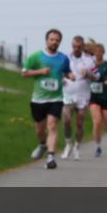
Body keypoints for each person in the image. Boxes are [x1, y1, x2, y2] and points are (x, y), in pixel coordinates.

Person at [22, 29, 74, 169]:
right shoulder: (36, 56)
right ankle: (42, 144)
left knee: (52, 126)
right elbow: (24, 73)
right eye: (52, 39)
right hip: (38, 99)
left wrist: (70, 76)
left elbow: (66, 71)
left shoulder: (63, 58)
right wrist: (40, 71)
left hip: (56, 98)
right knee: (40, 130)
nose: (54, 42)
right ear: (46, 41)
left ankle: (51, 157)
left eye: (57, 40)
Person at [61, 36, 96, 160]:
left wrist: (89, 74)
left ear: (83, 47)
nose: (76, 49)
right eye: (74, 46)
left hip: (83, 95)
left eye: (79, 47)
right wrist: (62, 78)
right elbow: (59, 71)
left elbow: (97, 76)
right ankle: (68, 144)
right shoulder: (65, 58)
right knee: (66, 119)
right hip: (68, 94)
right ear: (72, 45)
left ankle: (77, 146)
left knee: (80, 123)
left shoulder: (89, 60)